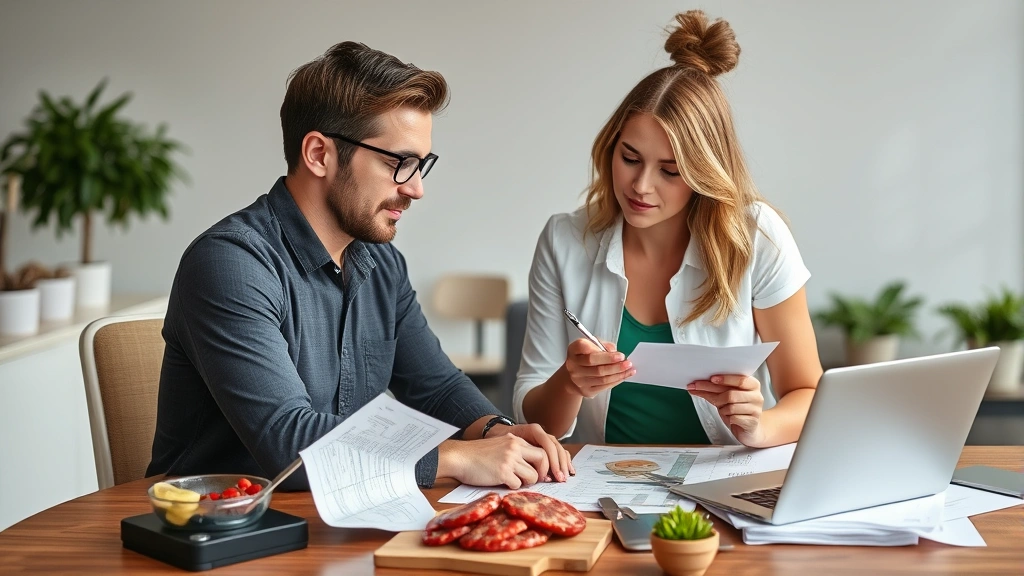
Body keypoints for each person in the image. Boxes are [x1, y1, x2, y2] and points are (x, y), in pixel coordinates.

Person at [147, 41, 573, 490]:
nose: (415, 190)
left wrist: (496, 432)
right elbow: (287, 443)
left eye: (421, 165)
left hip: (339, 517)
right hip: (218, 529)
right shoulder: (231, 264)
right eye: (398, 163)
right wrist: (457, 457)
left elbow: (436, 387)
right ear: (319, 154)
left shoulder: (382, 264)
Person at [514, 11, 823, 447]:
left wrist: (759, 424)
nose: (641, 187)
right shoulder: (564, 239)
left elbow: (808, 394)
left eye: (671, 171)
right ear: (610, 147)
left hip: (724, 478)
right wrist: (568, 383)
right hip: (604, 486)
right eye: (630, 157)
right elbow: (537, 420)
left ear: (705, 173)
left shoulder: (756, 236)